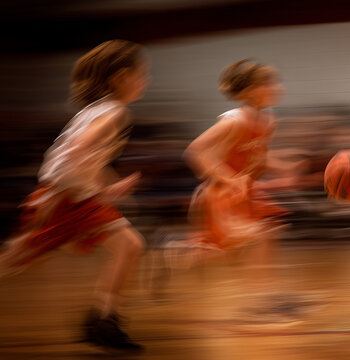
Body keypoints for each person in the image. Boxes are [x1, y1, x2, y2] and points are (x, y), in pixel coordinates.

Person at [0, 40, 148, 350]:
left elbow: (91, 157)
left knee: (130, 245)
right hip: (61, 199)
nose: (144, 81)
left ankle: (104, 320)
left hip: (78, 198)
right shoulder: (115, 112)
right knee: (15, 259)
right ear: (121, 77)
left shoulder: (98, 109)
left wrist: (108, 185)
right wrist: (91, 176)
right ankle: (103, 320)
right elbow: (81, 148)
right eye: (141, 74)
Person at [175, 59, 312, 318]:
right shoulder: (234, 121)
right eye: (269, 83)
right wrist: (229, 179)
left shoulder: (269, 120)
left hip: (245, 193)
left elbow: (258, 159)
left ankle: (264, 295)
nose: (277, 87)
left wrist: (284, 164)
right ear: (250, 91)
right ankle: (260, 300)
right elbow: (195, 151)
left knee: (265, 235)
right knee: (252, 240)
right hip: (220, 195)